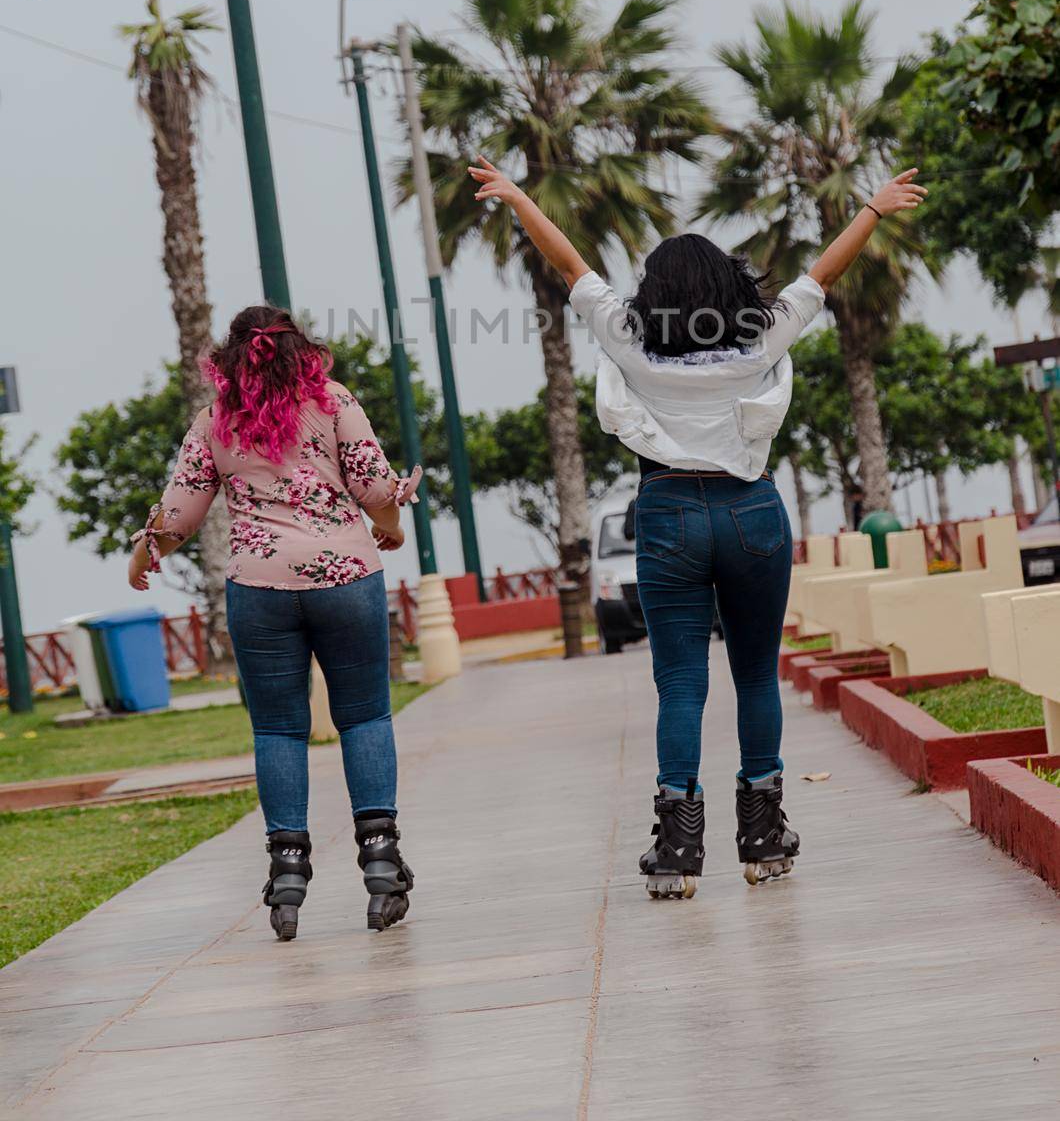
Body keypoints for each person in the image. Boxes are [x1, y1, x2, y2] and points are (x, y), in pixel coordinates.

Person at [468, 156, 926, 895]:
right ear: (726, 287)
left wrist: (520, 197)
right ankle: (764, 834)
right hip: (752, 513)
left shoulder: (629, 336)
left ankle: (678, 852)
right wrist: (871, 208)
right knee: (754, 674)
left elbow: (571, 264)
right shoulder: (759, 337)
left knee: (680, 684)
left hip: (670, 514)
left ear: (655, 291)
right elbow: (823, 275)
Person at [128, 306, 421, 939]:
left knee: (280, 731)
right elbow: (375, 489)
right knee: (364, 715)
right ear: (300, 350)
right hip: (344, 575)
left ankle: (287, 874)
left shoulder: (214, 422)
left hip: (258, 587)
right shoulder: (335, 401)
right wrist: (391, 524)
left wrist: (143, 551)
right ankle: (381, 863)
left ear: (230, 361)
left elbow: (177, 517)